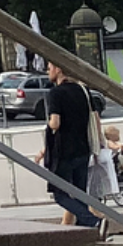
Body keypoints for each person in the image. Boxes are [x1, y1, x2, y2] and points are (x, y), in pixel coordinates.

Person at [44, 63, 101, 229]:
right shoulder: (83, 91)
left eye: (50, 67)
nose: (48, 71)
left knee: (60, 194)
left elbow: (55, 123)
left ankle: (92, 221)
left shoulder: (56, 93)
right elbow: (95, 117)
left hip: (63, 151)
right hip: (83, 148)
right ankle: (87, 227)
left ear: (59, 69)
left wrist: (48, 127)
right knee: (80, 193)